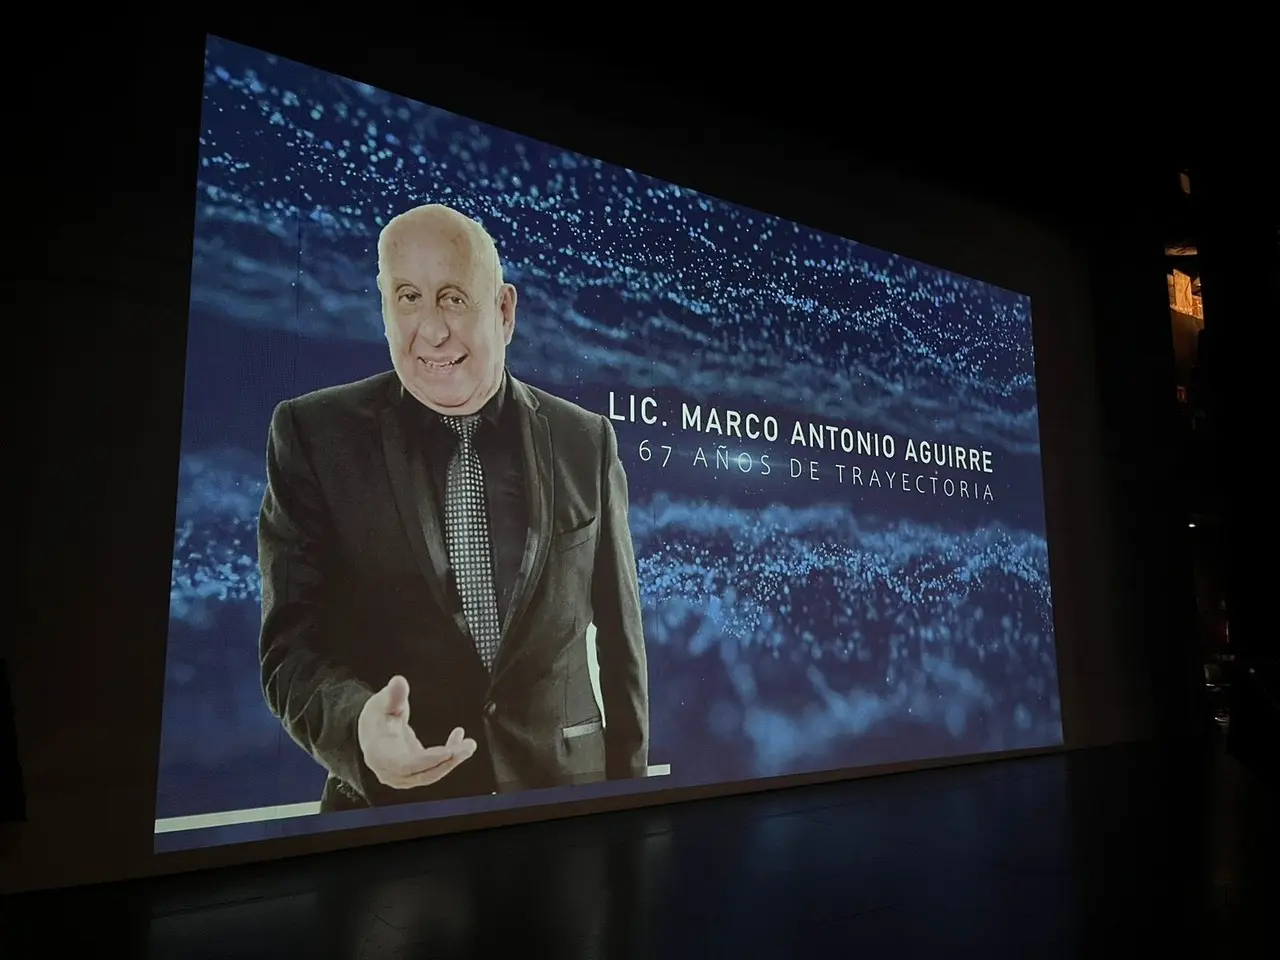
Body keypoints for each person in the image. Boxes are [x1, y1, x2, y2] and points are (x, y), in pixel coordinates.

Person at [257, 203, 649, 811]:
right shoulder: (312, 436)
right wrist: (360, 728)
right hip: (393, 826)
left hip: (565, 818)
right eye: (408, 297)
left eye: (454, 298)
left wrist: (631, 812)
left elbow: (622, 647)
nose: (432, 330)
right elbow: (291, 648)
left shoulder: (585, 441)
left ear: (504, 309)